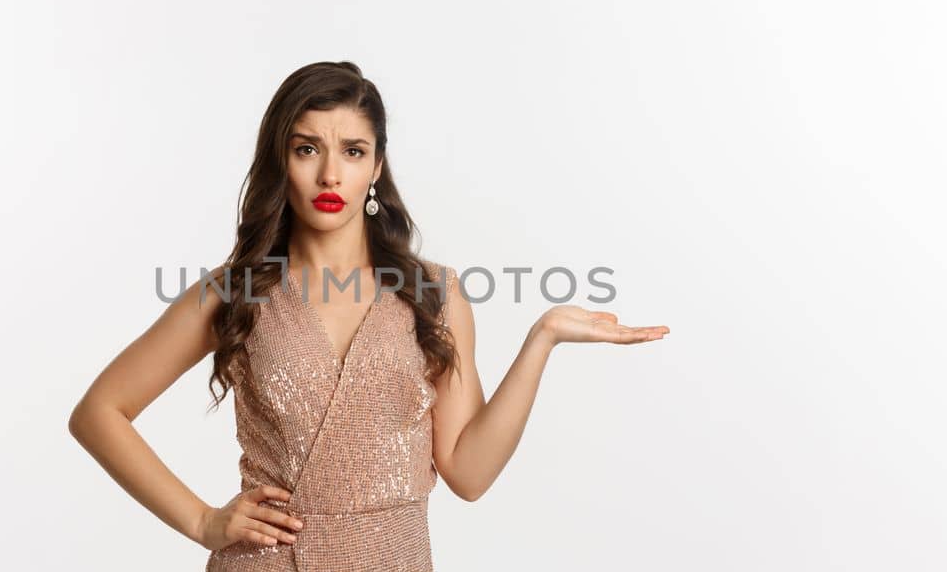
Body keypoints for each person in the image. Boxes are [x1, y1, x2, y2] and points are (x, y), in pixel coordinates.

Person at [68, 61, 669, 571]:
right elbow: (99, 412)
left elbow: (468, 472)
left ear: (376, 166)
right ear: (283, 161)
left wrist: (542, 340)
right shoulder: (236, 291)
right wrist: (202, 521)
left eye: (352, 151)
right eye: (308, 149)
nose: (330, 174)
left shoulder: (433, 293)